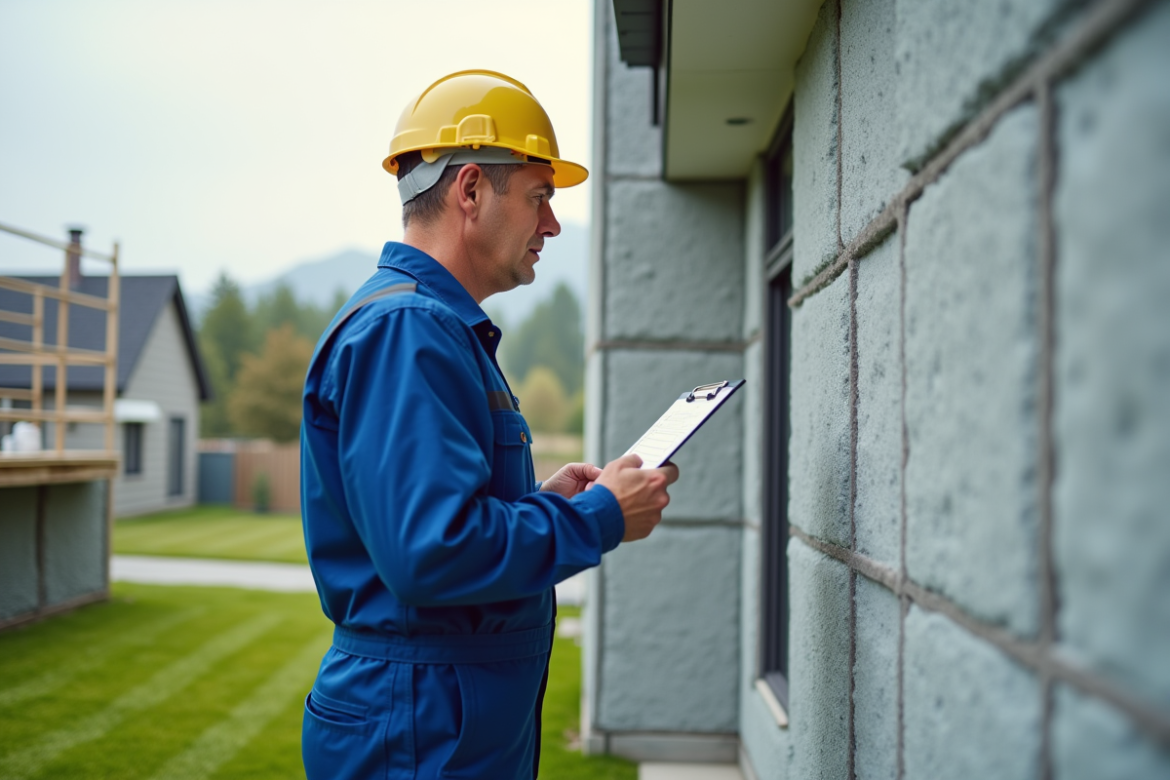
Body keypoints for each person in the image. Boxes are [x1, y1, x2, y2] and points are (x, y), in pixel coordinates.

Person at [299, 70, 680, 779]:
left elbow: (439, 517)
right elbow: (432, 551)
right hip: (418, 733)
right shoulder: (409, 330)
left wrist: (545, 502)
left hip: (435, 721)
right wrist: (597, 516)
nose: (552, 224)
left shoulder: (431, 327)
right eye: (540, 197)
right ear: (469, 190)